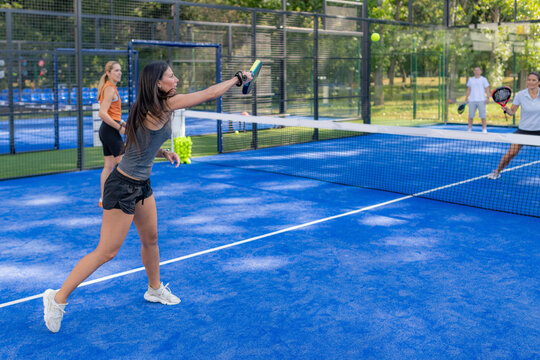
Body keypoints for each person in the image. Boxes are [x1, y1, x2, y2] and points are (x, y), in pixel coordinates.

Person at [43, 61, 253, 333]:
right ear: (157, 83)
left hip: (142, 184)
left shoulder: (146, 106)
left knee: (151, 239)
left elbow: (135, 146)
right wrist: (238, 78)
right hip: (122, 186)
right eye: (171, 77)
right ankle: (56, 298)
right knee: (107, 251)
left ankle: (154, 289)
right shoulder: (164, 105)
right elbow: (210, 93)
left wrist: (163, 152)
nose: (175, 80)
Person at [488, 71, 540, 179]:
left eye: (534, 80)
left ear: (538, 82)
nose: (531, 82)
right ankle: (497, 171)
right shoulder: (521, 94)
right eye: (529, 80)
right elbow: (512, 112)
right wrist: (507, 109)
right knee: (511, 153)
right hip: (523, 131)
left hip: (538, 131)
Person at [97, 61, 126, 207]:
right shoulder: (109, 89)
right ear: (108, 73)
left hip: (107, 130)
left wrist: (122, 122)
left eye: (120, 70)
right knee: (125, 164)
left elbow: (111, 113)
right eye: (116, 70)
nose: (119, 73)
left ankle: (104, 199)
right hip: (109, 130)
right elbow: (102, 114)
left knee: (109, 166)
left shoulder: (110, 87)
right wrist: (119, 128)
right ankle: (120, 197)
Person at [464, 67, 490, 133]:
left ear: (480, 71)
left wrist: (488, 97)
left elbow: (487, 89)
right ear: (474, 72)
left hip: (481, 100)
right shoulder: (470, 80)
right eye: (475, 70)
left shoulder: (484, 79)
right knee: (470, 116)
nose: (476, 71)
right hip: (472, 100)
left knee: (483, 116)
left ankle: (484, 129)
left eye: (478, 70)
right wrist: (466, 98)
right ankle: (469, 129)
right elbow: (468, 89)